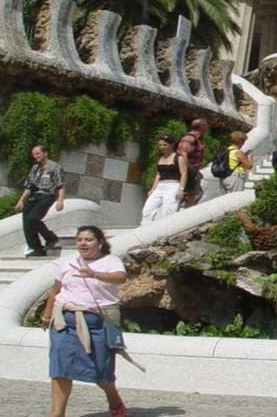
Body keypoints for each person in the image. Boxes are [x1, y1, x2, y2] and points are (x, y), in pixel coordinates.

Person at [41, 225, 129, 417]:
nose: (83, 243)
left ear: (100, 242)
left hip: (97, 323)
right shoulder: (68, 262)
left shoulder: (110, 261)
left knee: (100, 370)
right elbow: (55, 290)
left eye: (88, 239)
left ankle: (113, 398)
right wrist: (47, 315)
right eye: (80, 239)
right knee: (60, 366)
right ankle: (56, 413)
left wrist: (94, 274)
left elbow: (121, 278)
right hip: (65, 321)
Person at [15, 144, 64, 257]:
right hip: (32, 197)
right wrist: (21, 201)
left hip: (46, 196)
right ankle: (37, 249)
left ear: (45, 153)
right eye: (33, 154)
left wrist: (60, 200)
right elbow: (28, 186)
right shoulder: (34, 168)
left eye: (37, 153)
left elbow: (60, 185)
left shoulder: (54, 167)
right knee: (27, 223)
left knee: (33, 218)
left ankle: (51, 238)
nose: (35, 156)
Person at [141, 135, 187, 223]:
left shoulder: (179, 158)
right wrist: (153, 189)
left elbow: (184, 174)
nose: (162, 147)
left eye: (165, 145)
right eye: (160, 145)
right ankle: (146, 227)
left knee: (168, 210)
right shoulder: (160, 158)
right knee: (147, 210)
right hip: (160, 187)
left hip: (173, 186)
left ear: (172, 145)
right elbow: (158, 175)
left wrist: (181, 189)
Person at [177, 118, 207, 207]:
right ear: (201, 127)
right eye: (205, 126)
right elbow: (183, 154)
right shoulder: (189, 138)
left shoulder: (198, 139)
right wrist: (186, 170)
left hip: (193, 169)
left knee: (194, 193)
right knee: (189, 193)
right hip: (189, 169)